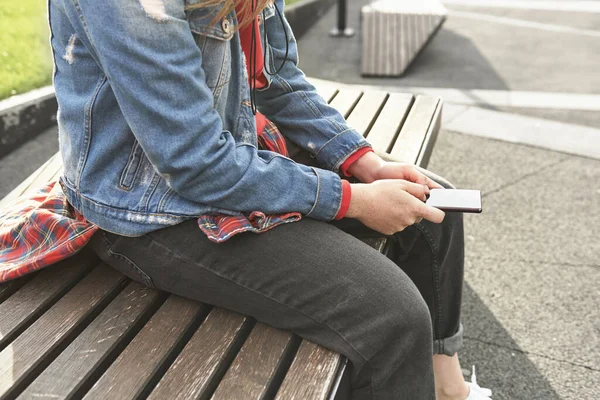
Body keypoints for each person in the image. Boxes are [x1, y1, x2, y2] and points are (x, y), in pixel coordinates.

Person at [48, 0, 491, 398]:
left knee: (434, 209)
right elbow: (195, 162)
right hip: (148, 209)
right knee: (393, 318)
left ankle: (446, 387)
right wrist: (352, 198)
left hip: (230, 153)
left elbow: (276, 78)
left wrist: (363, 161)